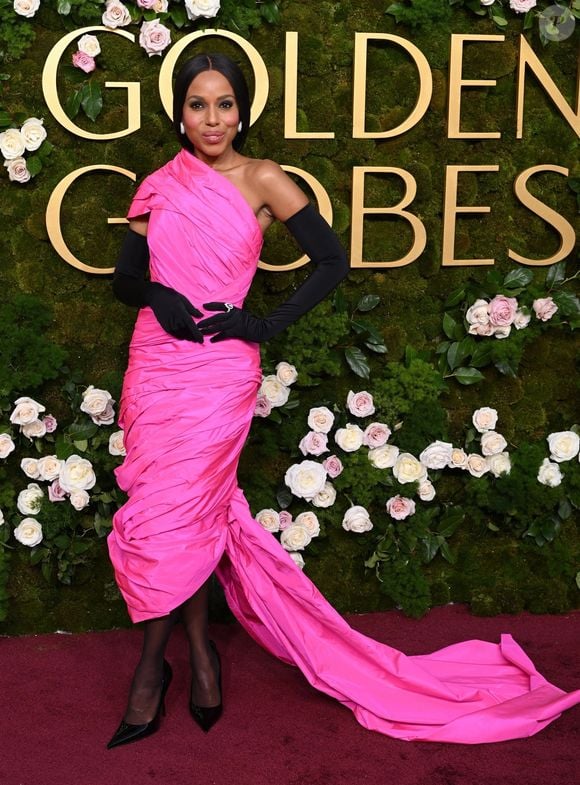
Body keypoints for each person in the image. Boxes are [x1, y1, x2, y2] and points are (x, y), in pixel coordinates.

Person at [107, 53, 578, 750]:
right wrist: (157, 294)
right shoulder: (161, 183)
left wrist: (260, 324)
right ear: (180, 111)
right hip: (156, 362)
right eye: (199, 104)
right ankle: (199, 656)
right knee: (164, 517)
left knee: (191, 510)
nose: (212, 118)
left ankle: (152, 670)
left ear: (243, 110)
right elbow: (124, 279)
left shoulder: (266, 178)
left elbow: (331, 261)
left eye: (225, 104)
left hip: (220, 375)